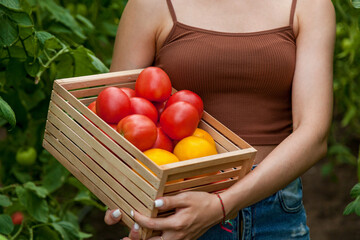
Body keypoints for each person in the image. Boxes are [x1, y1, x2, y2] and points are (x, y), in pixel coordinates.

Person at [104, 0, 336, 239]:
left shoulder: (309, 5)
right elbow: (115, 116)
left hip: (274, 207)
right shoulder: (150, 4)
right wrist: (120, 195)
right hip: (179, 201)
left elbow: (313, 134)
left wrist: (222, 205)